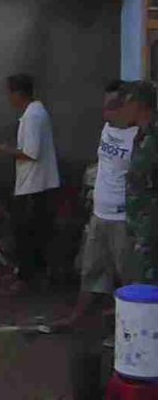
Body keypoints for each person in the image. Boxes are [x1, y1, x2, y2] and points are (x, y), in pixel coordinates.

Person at [54, 81, 137, 329]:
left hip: (122, 218)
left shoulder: (138, 138)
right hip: (100, 213)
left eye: (112, 107)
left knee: (128, 275)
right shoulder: (106, 129)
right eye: (105, 106)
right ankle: (77, 318)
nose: (106, 112)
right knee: (91, 269)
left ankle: (131, 325)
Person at [0, 73, 60, 293]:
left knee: (26, 233)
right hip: (36, 183)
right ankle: (34, 277)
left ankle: (27, 279)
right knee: (35, 232)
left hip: (34, 185)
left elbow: (31, 153)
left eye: (10, 93)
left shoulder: (33, 116)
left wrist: (6, 150)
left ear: (18, 93)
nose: (9, 98)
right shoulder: (35, 113)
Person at [125, 80, 158, 284]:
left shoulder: (154, 136)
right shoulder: (140, 135)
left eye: (128, 103)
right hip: (140, 222)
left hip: (152, 225)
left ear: (139, 105)